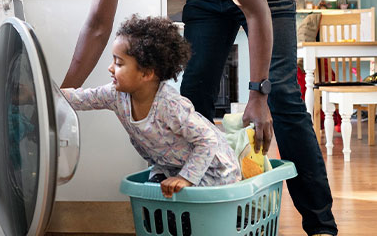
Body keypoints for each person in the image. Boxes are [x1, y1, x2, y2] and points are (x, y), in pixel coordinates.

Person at [60, 0, 337, 235]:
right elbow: (99, 25)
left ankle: (321, 226)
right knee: (192, 96)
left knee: (282, 95)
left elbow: (255, 12)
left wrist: (257, 95)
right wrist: (61, 98)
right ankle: (198, 220)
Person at [61, 15, 242, 198]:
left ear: (146, 73)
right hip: (171, 166)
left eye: (118, 63)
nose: (110, 68)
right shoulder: (115, 95)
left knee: (188, 209)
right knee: (154, 198)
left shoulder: (170, 106)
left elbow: (208, 140)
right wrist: (43, 93)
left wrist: (185, 178)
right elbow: (80, 98)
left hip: (213, 171)